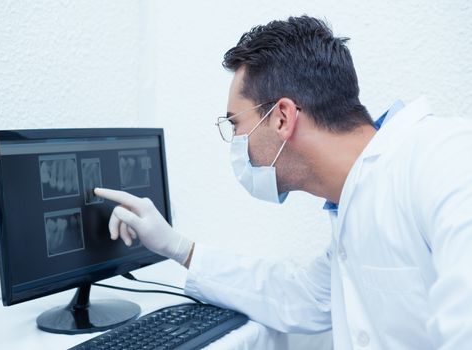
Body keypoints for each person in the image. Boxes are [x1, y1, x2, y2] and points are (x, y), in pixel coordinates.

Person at [95, 16, 472, 349]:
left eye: (235, 124)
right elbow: (302, 296)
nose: (236, 142)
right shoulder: (354, 201)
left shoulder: (444, 158)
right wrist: (180, 248)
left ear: (282, 118)